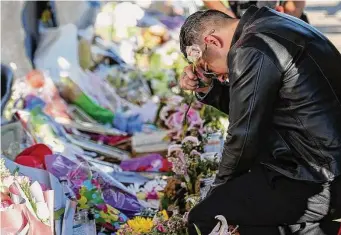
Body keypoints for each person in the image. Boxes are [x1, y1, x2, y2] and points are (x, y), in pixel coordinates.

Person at [179, 6, 341, 235]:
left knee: (204, 218)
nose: (217, 75)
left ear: (212, 41)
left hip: (320, 174)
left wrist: (218, 191)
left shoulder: (252, 48)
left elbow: (243, 134)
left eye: (208, 68)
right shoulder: (267, 23)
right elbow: (254, 105)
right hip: (321, 160)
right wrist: (209, 87)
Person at [202, 0, 309, 23]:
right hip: (239, 20)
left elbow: (295, 6)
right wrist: (231, 21)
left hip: (283, 21)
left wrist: (289, 15)